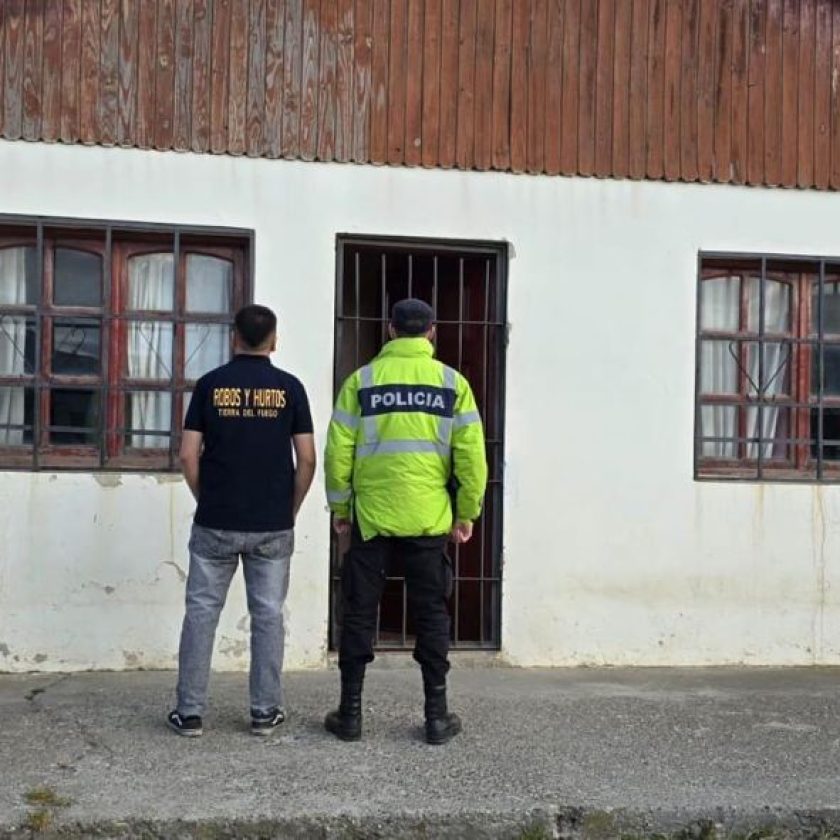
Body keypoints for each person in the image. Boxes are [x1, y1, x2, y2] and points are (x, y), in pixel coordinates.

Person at [324, 298, 487, 745]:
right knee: (432, 615)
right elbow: (472, 457)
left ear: (389, 330)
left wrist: (341, 509)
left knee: (359, 612)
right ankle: (436, 716)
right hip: (429, 520)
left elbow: (338, 453)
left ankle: (350, 715)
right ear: (432, 331)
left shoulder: (361, 382)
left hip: (372, 519)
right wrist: (466, 512)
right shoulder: (453, 384)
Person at [167, 304, 316, 738]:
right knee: (268, 615)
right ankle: (264, 712)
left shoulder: (210, 385)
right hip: (272, 521)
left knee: (201, 612)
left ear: (234, 337)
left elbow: (187, 454)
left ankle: (190, 713)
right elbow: (305, 459)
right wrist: (290, 508)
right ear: (274, 340)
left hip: (216, 518)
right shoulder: (290, 388)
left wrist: (206, 497)